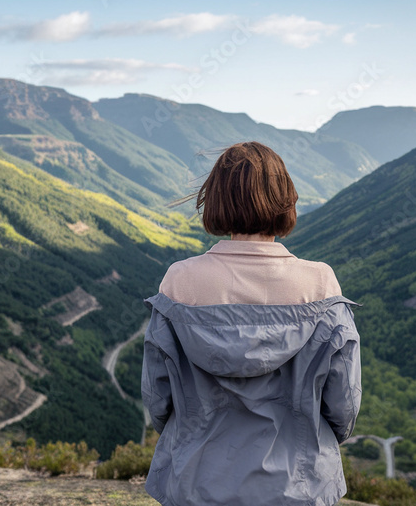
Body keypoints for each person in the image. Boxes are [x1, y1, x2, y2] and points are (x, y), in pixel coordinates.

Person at [141, 141, 362, 506]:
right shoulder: (320, 285)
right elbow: (343, 405)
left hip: (195, 484)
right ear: (286, 198)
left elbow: (158, 399)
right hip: (298, 486)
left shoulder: (178, 282)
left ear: (215, 201)